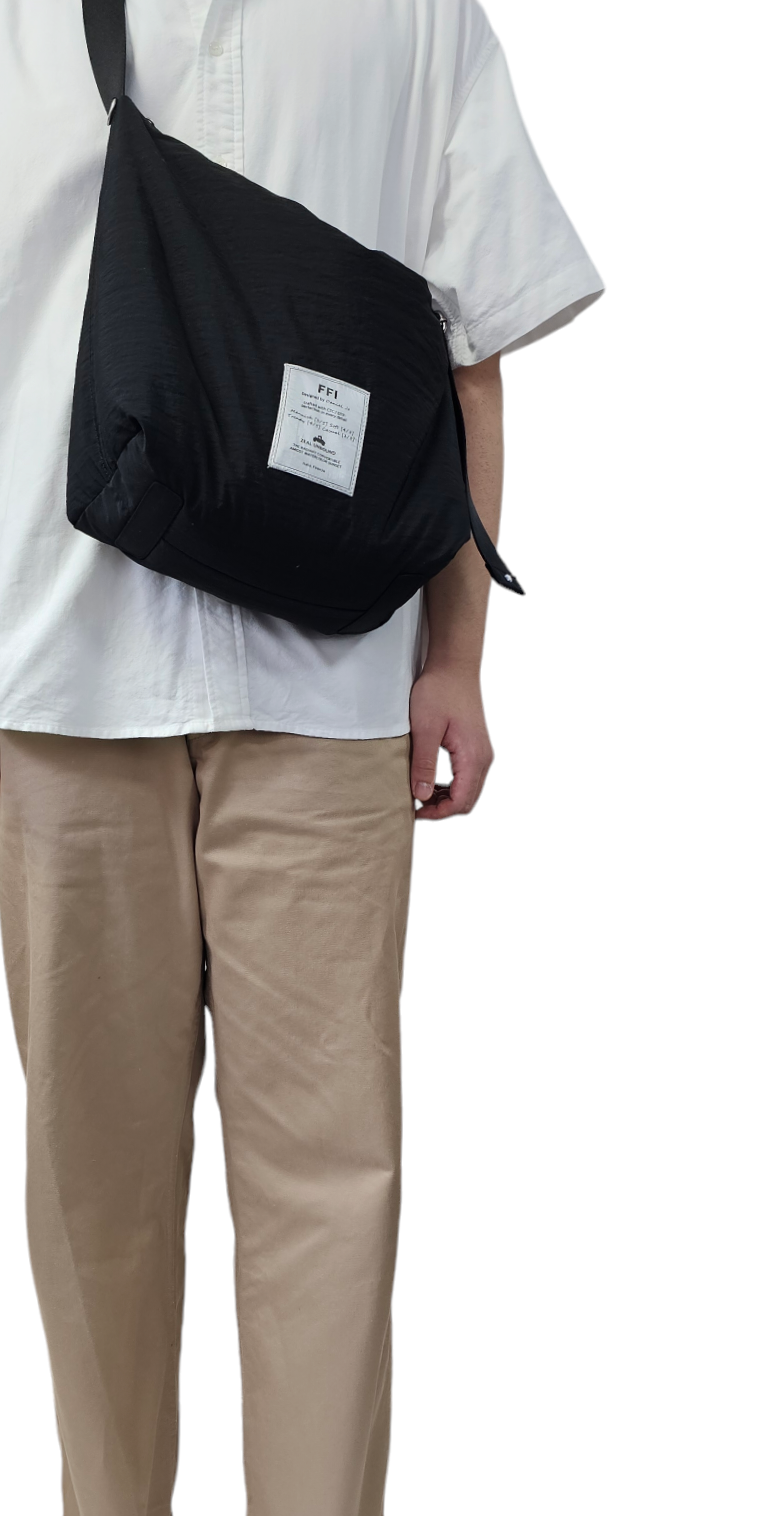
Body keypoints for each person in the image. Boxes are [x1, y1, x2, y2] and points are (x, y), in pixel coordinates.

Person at [0, 1, 603, 1513]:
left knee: (326, 1192)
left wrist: (457, 655)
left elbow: (465, 346)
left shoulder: (413, 17)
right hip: (60, 688)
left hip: (324, 691)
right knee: (92, 1194)